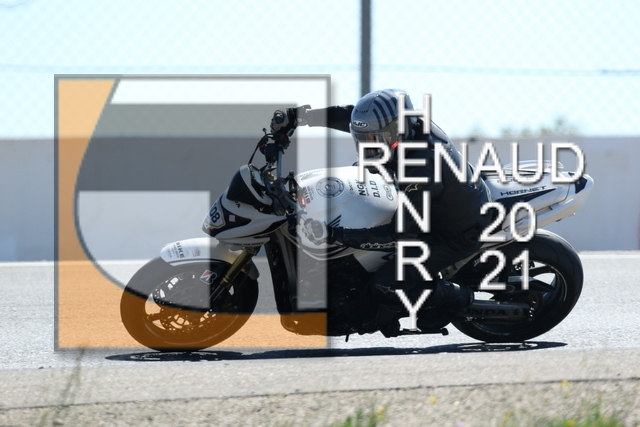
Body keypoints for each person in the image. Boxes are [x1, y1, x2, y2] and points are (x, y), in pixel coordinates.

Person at [270, 89, 492, 333]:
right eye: (364, 139)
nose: (369, 146)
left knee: (384, 286)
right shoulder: (405, 126)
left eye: (376, 139)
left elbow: (401, 234)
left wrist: (335, 235)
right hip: (433, 203)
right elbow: (352, 117)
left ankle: (455, 296)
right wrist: (301, 117)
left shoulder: (421, 166)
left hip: (451, 234)